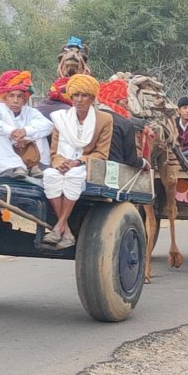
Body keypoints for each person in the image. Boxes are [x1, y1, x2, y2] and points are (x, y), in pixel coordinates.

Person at [41, 75, 113, 250]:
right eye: (75, 95)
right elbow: (54, 151)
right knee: (50, 175)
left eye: (84, 95)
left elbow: (101, 153)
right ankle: (66, 232)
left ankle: (59, 227)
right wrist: (60, 162)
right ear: (70, 97)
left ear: (92, 98)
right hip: (62, 164)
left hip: (85, 166)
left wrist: (78, 162)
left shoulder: (104, 119)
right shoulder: (60, 118)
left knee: (74, 176)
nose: (79, 100)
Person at [0, 70, 53, 179]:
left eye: (19, 96)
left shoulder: (30, 111)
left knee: (39, 133)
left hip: (29, 153)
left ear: (25, 99)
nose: (15, 101)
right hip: (5, 161)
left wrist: (25, 132)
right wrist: (12, 132)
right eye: (12, 96)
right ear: (5, 97)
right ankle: (16, 166)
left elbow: (48, 125)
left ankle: (34, 167)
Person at [97, 79, 150, 170]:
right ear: (116, 101)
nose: (127, 106)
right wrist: (144, 163)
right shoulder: (124, 123)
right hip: (114, 173)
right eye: (126, 102)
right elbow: (131, 159)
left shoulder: (92, 117)